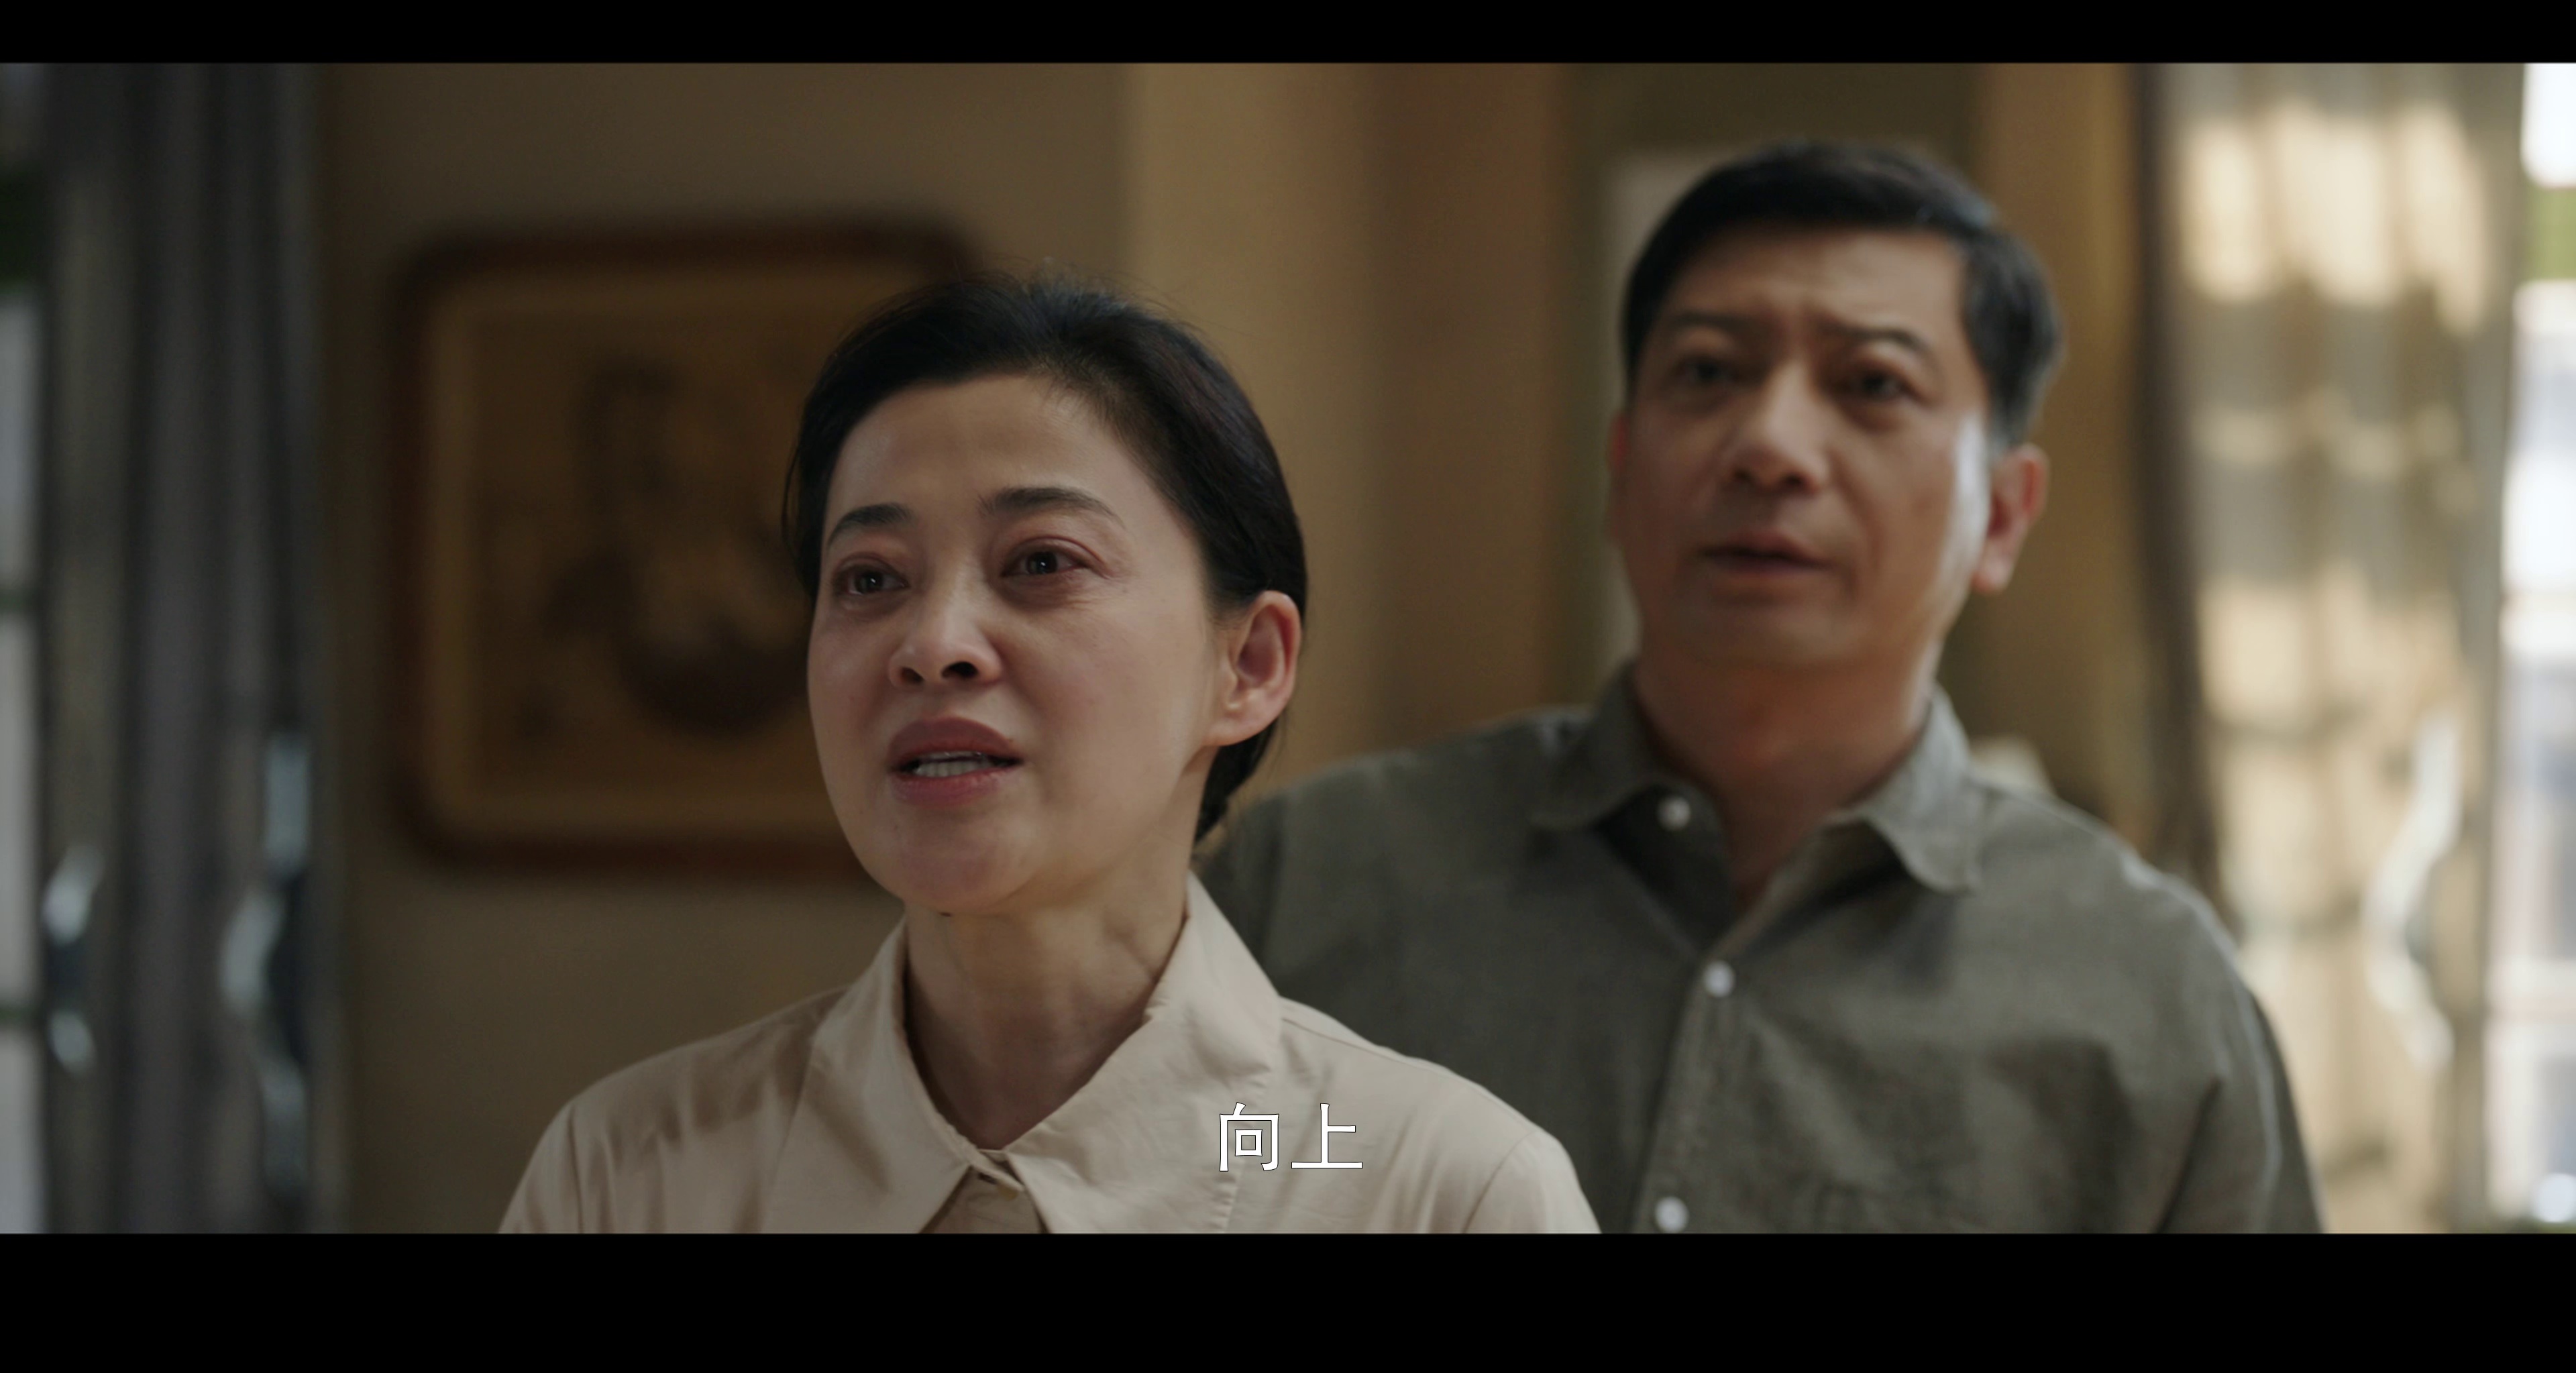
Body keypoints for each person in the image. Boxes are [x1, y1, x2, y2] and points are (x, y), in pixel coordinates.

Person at [1201, 142, 2322, 1233]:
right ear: (1620, 468)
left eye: (1874, 384)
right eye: (1708, 373)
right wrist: (1355, 1156)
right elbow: (1200, 1161)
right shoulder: (1315, 883)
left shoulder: (2150, 998)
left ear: (2003, 515)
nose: (1769, 445)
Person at [501, 276, 1596, 1233]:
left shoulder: (1421, 1189)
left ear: (1248, 665)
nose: (933, 643)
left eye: (1041, 562)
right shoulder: (635, 1172)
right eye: (871, 578)